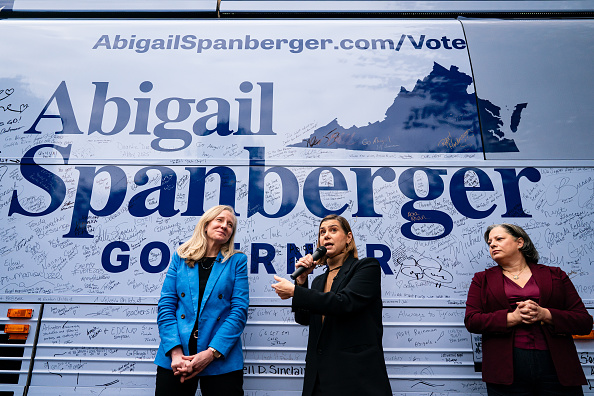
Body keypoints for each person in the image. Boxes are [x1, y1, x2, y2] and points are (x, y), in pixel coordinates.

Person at [465, 223, 593, 395]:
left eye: (499, 239)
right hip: (505, 369)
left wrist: (545, 314)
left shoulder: (555, 274)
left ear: (520, 242)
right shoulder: (482, 279)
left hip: (556, 365)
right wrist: (513, 318)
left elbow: (584, 322)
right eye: (489, 243)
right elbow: (472, 320)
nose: (492, 244)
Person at [272, 214, 392, 396]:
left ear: (348, 238)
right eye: (322, 232)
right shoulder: (318, 281)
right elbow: (304, 318)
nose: (326, 235)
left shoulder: (367, 267)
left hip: (356, 379)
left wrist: (296, 292)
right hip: (320, 381)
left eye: (333, 230)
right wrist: (302, 281)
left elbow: (344, 303)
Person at [154, 205, 249, 396]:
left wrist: (211, 353)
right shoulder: (180, 257)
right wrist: (175, 353)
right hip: (177, 358)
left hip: (221, 358)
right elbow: (166, 306)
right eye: (219, 220)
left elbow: (239, 312)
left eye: (230, 225)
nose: (224, 226)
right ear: (206, 224)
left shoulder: (237, 261)